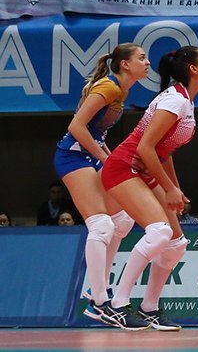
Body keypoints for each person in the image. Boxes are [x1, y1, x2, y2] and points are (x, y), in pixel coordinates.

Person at [101, 46, 198, 331]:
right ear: (193, 69)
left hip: (145, 170)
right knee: (159, 232)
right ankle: (118, 305)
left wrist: (174, 188)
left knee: (176, 244)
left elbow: (164, 151)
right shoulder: (175, 101)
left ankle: (149, 308)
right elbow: (145, 148)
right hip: (124, 167)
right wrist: (168, 188)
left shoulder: (184, 100)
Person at [53, 43, 149, 325]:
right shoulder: (108, 87)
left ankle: (98, 289)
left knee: (122, 220)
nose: (147, 62)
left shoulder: (121, 90)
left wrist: (111, 159)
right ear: (125, 64)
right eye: (142, 58)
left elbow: (97, 134)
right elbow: (76, 127)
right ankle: (99, 302)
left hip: (90, 155)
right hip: (72, 156)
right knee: (102, 225)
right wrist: (105, 159)